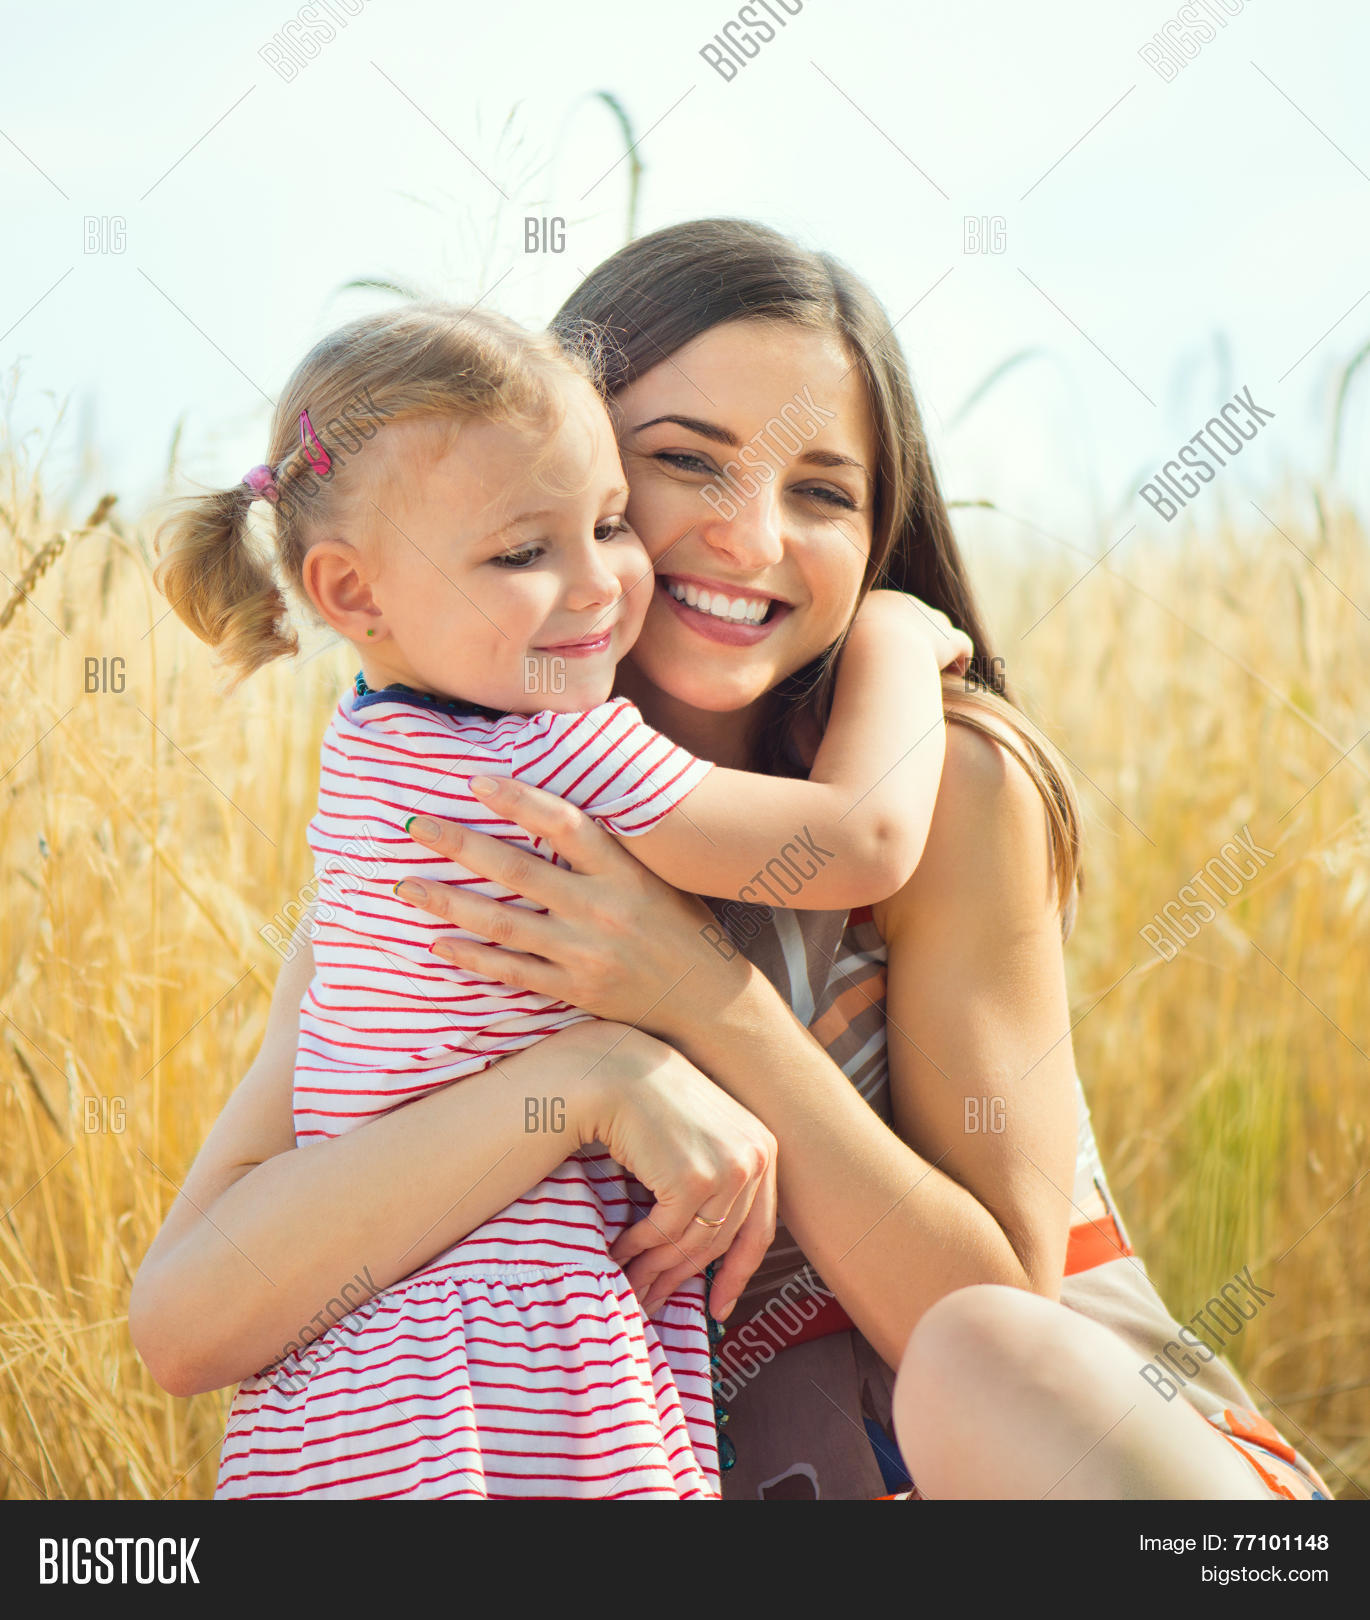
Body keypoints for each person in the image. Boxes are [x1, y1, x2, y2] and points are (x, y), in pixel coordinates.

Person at [131, 218, 1331, 1500]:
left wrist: (694, 993)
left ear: (877, 539)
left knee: (985, 1354)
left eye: (820, 491)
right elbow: (192, 1320)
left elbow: (988, 1323)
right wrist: (590, 1074)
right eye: (684, 464)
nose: (750, 535)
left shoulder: (947, 792)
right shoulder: (463, 840)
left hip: (1070, 1474)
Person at [144, 300, 967, 1499]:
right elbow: (863, 836)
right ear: (353, 594)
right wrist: (893, 635)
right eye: (522, 553)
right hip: (515, 1362)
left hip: (341, 1391)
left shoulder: (373, 753)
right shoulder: (546, 754)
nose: (597, 585)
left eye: (609, 523)